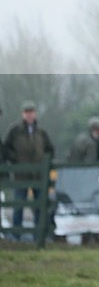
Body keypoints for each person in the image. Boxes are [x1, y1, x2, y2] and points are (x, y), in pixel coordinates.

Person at [3, 101, 54, 238]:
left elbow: (49, 149)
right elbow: (6, 149)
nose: (29, 115)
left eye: (31, 112)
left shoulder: (41, 132)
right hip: (21, 175)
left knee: (39, 207)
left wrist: (44, 162)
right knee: (19, 205)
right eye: (27, 112)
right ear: (23, 114)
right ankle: (16, 237)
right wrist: (16, 161)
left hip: (38, 175)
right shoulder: (15, 130)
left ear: (35, 114)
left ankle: (39, 237)